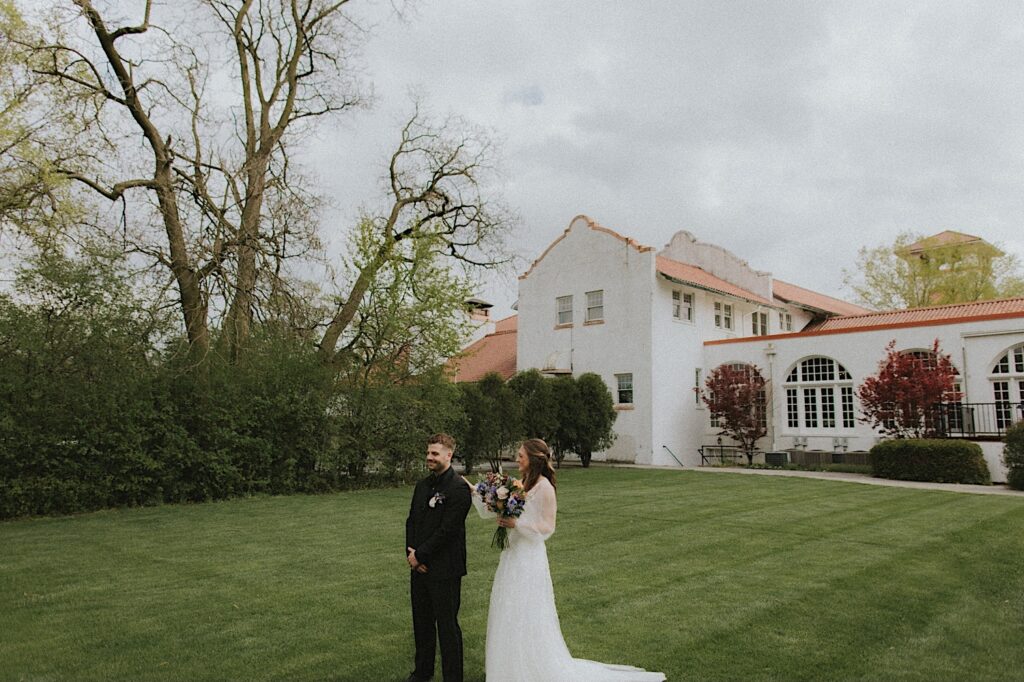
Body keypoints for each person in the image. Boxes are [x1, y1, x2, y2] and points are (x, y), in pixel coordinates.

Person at [470, 438, 665, 682]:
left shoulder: (544, 488)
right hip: (513, 552)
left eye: (521, 455)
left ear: (534, 459)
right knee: (508, 605)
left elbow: (547, 527)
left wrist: (516, 523)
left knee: (526, 609)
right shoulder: (524, 484)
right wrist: (485, 497)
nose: (517, 459)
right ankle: (507, 666)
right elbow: (508, 507)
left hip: (529, 557)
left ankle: (530, 666)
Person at [406, 433, 472, 682]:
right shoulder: (422, 485)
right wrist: (411, 554)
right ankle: (422, 673)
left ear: (449, 455)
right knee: (421, 625)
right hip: (418, 567)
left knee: (447, 628)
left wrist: (421, 555)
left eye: (434, 453)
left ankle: (452, 677)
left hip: (445, 569)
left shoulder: (458, 488)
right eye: (428, 453)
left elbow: (448, 530)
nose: (429, 457)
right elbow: (411, 522)